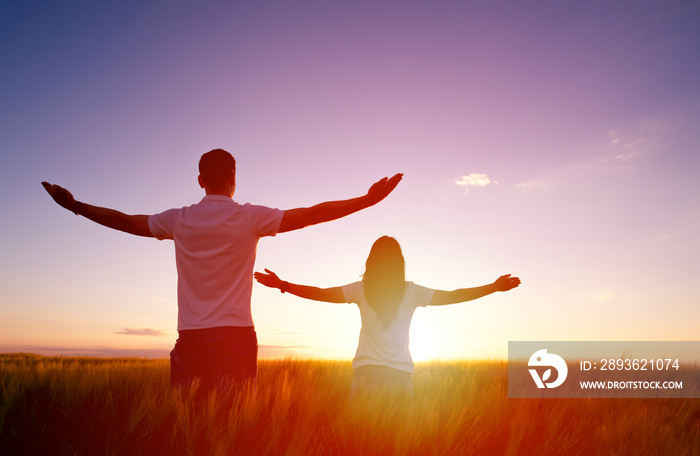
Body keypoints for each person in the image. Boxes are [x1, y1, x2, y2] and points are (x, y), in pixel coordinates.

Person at [42, 149, 402, 389]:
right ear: (234, 178)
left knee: (190, 431)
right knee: (237, 431)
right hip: (236, 337)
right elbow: (311, 215)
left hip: (192, 339)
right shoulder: (249, 217)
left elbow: (124, 222)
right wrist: (367, 200)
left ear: (200, 180)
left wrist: (75, 206)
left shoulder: (178, 220)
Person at [254, 235, 520, 398]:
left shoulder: (360, 289)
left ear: (371, 261)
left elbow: (321, 293)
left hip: (366, 373)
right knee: (398, 438)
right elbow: (453, 295)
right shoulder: (412, 291)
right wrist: (492, 287)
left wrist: (283, 285)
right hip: (400, 375)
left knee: (363, 438)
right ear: (399, 263)